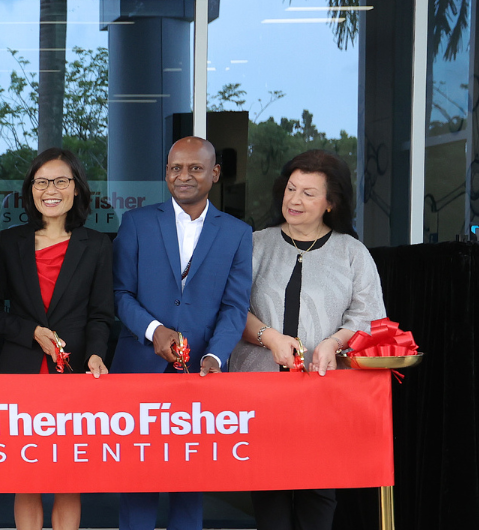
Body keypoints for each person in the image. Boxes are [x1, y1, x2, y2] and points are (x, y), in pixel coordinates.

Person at [231, 149, 384, 529]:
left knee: (320, 497)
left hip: (324, 395)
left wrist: (333, 343)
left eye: (308, 193)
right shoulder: (253, 244)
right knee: (270, 498)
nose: (294, 200)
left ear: (331, 203)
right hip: (260, 392)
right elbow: (230, 308)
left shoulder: (353, 253)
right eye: (291, 189)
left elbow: (368, 317)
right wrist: (269, 338)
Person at [110, 137, 253, 530]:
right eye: (175, 168)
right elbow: (119, 293)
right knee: (137, 481)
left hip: (200, 377)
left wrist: (214, 356)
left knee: (190, 485)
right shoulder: (137, 222)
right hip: (139, 368)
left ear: (215, 173)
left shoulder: (238, 233)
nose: (183, 176)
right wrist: (154, 331)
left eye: (195, 168)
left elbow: (235, 306)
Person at [0, 147, 113, 530]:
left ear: (76, 189)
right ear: (30, 190)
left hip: (74, 375)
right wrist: (30, 332)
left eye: (60, 181)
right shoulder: (7, 243)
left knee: (68, 478)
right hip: (21, 373)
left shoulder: (98, 245)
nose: (50, 190)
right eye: (41, 182)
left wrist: (96, 354)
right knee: (28, 477)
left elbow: (101, 314)